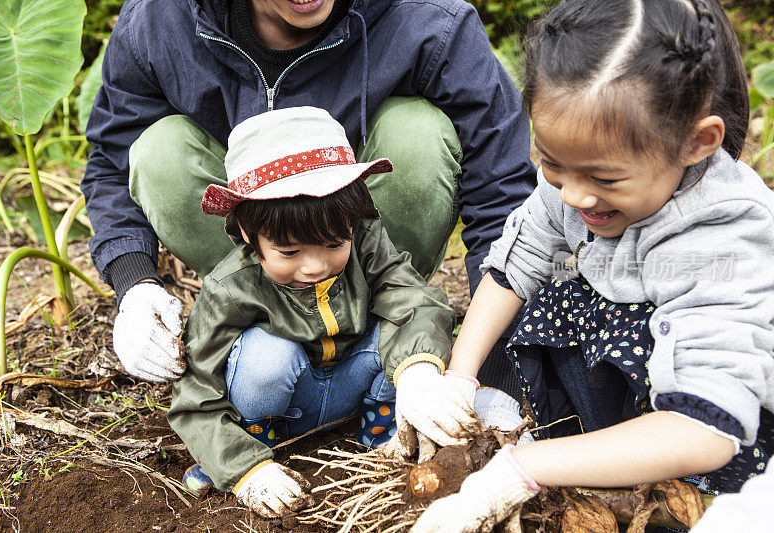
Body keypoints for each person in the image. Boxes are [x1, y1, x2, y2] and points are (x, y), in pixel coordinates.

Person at [409, 0, 774, 530]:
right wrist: (459, 379)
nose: (575, 195)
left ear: (697, 142)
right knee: (537, 299)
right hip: (627, 385)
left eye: (604, 178)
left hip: (703, 434)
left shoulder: (723, 239)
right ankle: (580, 455)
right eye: (553, 164)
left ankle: (647, 492)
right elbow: (519, 262)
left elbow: (704, 428)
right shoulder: (582, 180)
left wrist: (521, 469)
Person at [81, 0, 536, 390]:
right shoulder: (161, 22)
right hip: (257, 274)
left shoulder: (427, 20)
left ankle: (395, 330)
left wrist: (496, 363)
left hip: (375, 264)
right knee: (159, 149)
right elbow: (112, 162)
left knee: (417, 130)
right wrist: (135, 284)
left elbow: (500, 191)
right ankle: (252, 332)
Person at [167, 107, 457, 518]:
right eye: (289, 252)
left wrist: (418, 374)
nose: (315, 266)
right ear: (250, 234)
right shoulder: (230, 286)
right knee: (266, 355)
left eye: (335, 243)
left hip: (349, 388)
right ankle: (254, 448)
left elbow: (411, 298)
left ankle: (386, 434)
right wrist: (241, 469)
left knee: (406, 335)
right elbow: (196, 393)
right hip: (282, 403)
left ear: (353, 223)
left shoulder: (367, 242)